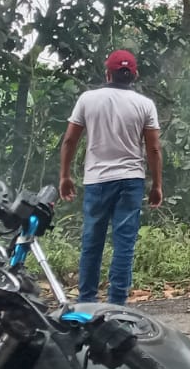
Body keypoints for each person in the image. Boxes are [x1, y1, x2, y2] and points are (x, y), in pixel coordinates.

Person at [59, 49, 163, 305]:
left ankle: (87, 301)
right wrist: (157, 185)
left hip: (97, 181)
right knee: (124, 244)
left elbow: (70, 140)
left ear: (108, 74)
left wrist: (65, 175)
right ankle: (117, 305)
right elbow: (153, 149)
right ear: (135, 75)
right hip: (131, 181)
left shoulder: (88, 99)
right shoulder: (145, 104)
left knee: (92, 242)